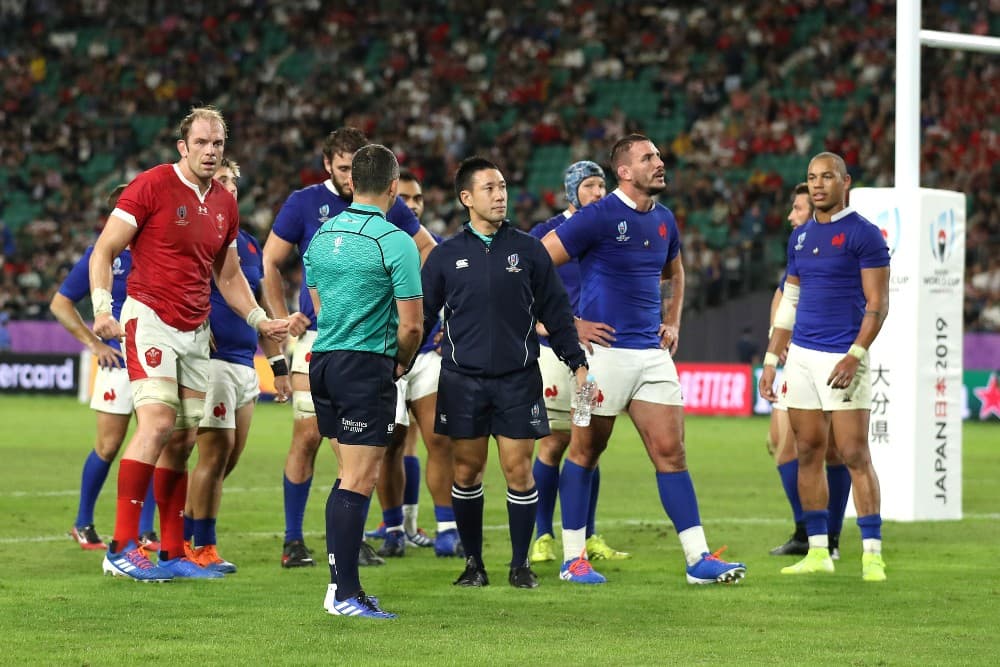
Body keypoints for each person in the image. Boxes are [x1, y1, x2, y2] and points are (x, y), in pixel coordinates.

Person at [91, 106, 288, 582]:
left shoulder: (225, 202)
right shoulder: (152, 184)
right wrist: (102, 307)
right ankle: (120, 546)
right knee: (157, 423)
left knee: (181, 440)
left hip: (197, 329)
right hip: (150, 317)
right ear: (183, 146)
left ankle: (173, 551)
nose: (210, 150)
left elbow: (228, 273)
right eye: (201, 143)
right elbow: (104, 249)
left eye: (217, 143)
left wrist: (261, 318)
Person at [541, 134, 746, 585]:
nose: (659, 162)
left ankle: (698, 559)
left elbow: (675, 271)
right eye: (648, 157)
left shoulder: (664, 220)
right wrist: (569, 325)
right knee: (584, 452)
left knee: (672, 454)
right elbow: (538, 264)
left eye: (657, 155)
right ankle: (573, 560)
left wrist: (672, 320)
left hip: (651, 357)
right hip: (600, 358)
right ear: (625, 171)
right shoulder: (596, 217)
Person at [261, 127, 436, 568]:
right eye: (340, 166)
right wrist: (284, 317)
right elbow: (271, 263)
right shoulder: (307, 206)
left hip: (330, 351)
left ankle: (347, 553)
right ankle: (303, 545)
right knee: (322, 447)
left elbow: (428, 249)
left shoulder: (330, 235)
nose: (345, 175)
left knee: (351, 466)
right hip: (348, 348)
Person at [421, 156, 590, 590]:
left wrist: (577, 362)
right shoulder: (445, 256)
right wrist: (398, 364)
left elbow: (557, 311)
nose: (500, 195)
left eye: (502, 187)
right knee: (466, 472)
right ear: (466, 198)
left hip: (518, 378)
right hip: (462, 380)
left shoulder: (529, 250)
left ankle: (520, 565)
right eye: (489, 188)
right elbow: (420, 318)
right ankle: (474, 564)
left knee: (519, 471)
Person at [759, 151, 890, 582]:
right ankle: (818, 549)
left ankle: (872, 553)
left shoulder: (865, 235)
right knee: (808, 452)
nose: (817, 185)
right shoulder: (799, 238)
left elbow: (877, 304)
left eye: (826, 177)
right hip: (801, 359)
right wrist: (772, 360)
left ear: (845, 182)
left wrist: (856, 355)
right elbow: (790, 303)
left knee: (854, 453)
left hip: (841, 357)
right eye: (812, 178)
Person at [305, 143, 423, 619]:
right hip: (365, 364)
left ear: (351, 183)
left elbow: (319, 302)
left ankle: (341, 587)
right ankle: (344, 593)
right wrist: (399, 363)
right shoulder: (395, 241)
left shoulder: (321, 235)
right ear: (394, 187)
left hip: (324, 362)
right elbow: (411, 325)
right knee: (359, 478)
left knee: (345, 476)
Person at [181, 158, 292, 573]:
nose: (227, 186)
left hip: (246, 363)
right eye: (220, 179)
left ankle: (190, 536)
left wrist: (278, 365)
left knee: (227, 460)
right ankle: (197, 544)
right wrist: (193, 324)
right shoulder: (197, 232)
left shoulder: (245, 242)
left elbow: (258, 305)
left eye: (233, 181)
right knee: (213, 455)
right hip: (213, 360)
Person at [526, 160, 629, 565]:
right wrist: (568, 325)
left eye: (602, 184)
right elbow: (521, 291)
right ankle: (543, 536)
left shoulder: (610, 230)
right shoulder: (545, 236)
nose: (598, 192)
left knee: (588, 444)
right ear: (571, 192)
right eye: (589, 185)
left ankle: (588, 534)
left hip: (596, 358)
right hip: (554, 356)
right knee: (552, 443)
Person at [50, 184, 158, 552]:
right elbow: (60, 304)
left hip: (156, 360)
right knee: (109, 445)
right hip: (118, 364)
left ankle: (145, 532)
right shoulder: (101, 255)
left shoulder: (159, 253)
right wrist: (94, 344)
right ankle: (83, 522)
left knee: (157, 440)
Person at [366, 169, 463, 557]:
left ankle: (447, 528)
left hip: (424, 354)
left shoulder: (432, 248)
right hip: (384, 352)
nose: (412, 205)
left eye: (418, 199)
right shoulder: (372, 235)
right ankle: (393, 529)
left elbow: (458, 297)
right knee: (389, 445)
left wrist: (439, 324)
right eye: (404, 198)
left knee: (439, 439)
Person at [767, 183, 852, 560]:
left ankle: (825, 536)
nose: (792, 215)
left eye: (797, 208)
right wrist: (774, 344)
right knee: (782, 445)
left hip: (825, 357)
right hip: (794, 360)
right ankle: (808, 528)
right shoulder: (800, 248)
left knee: (829, 449)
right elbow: (784, 295)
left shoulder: (841, 247)